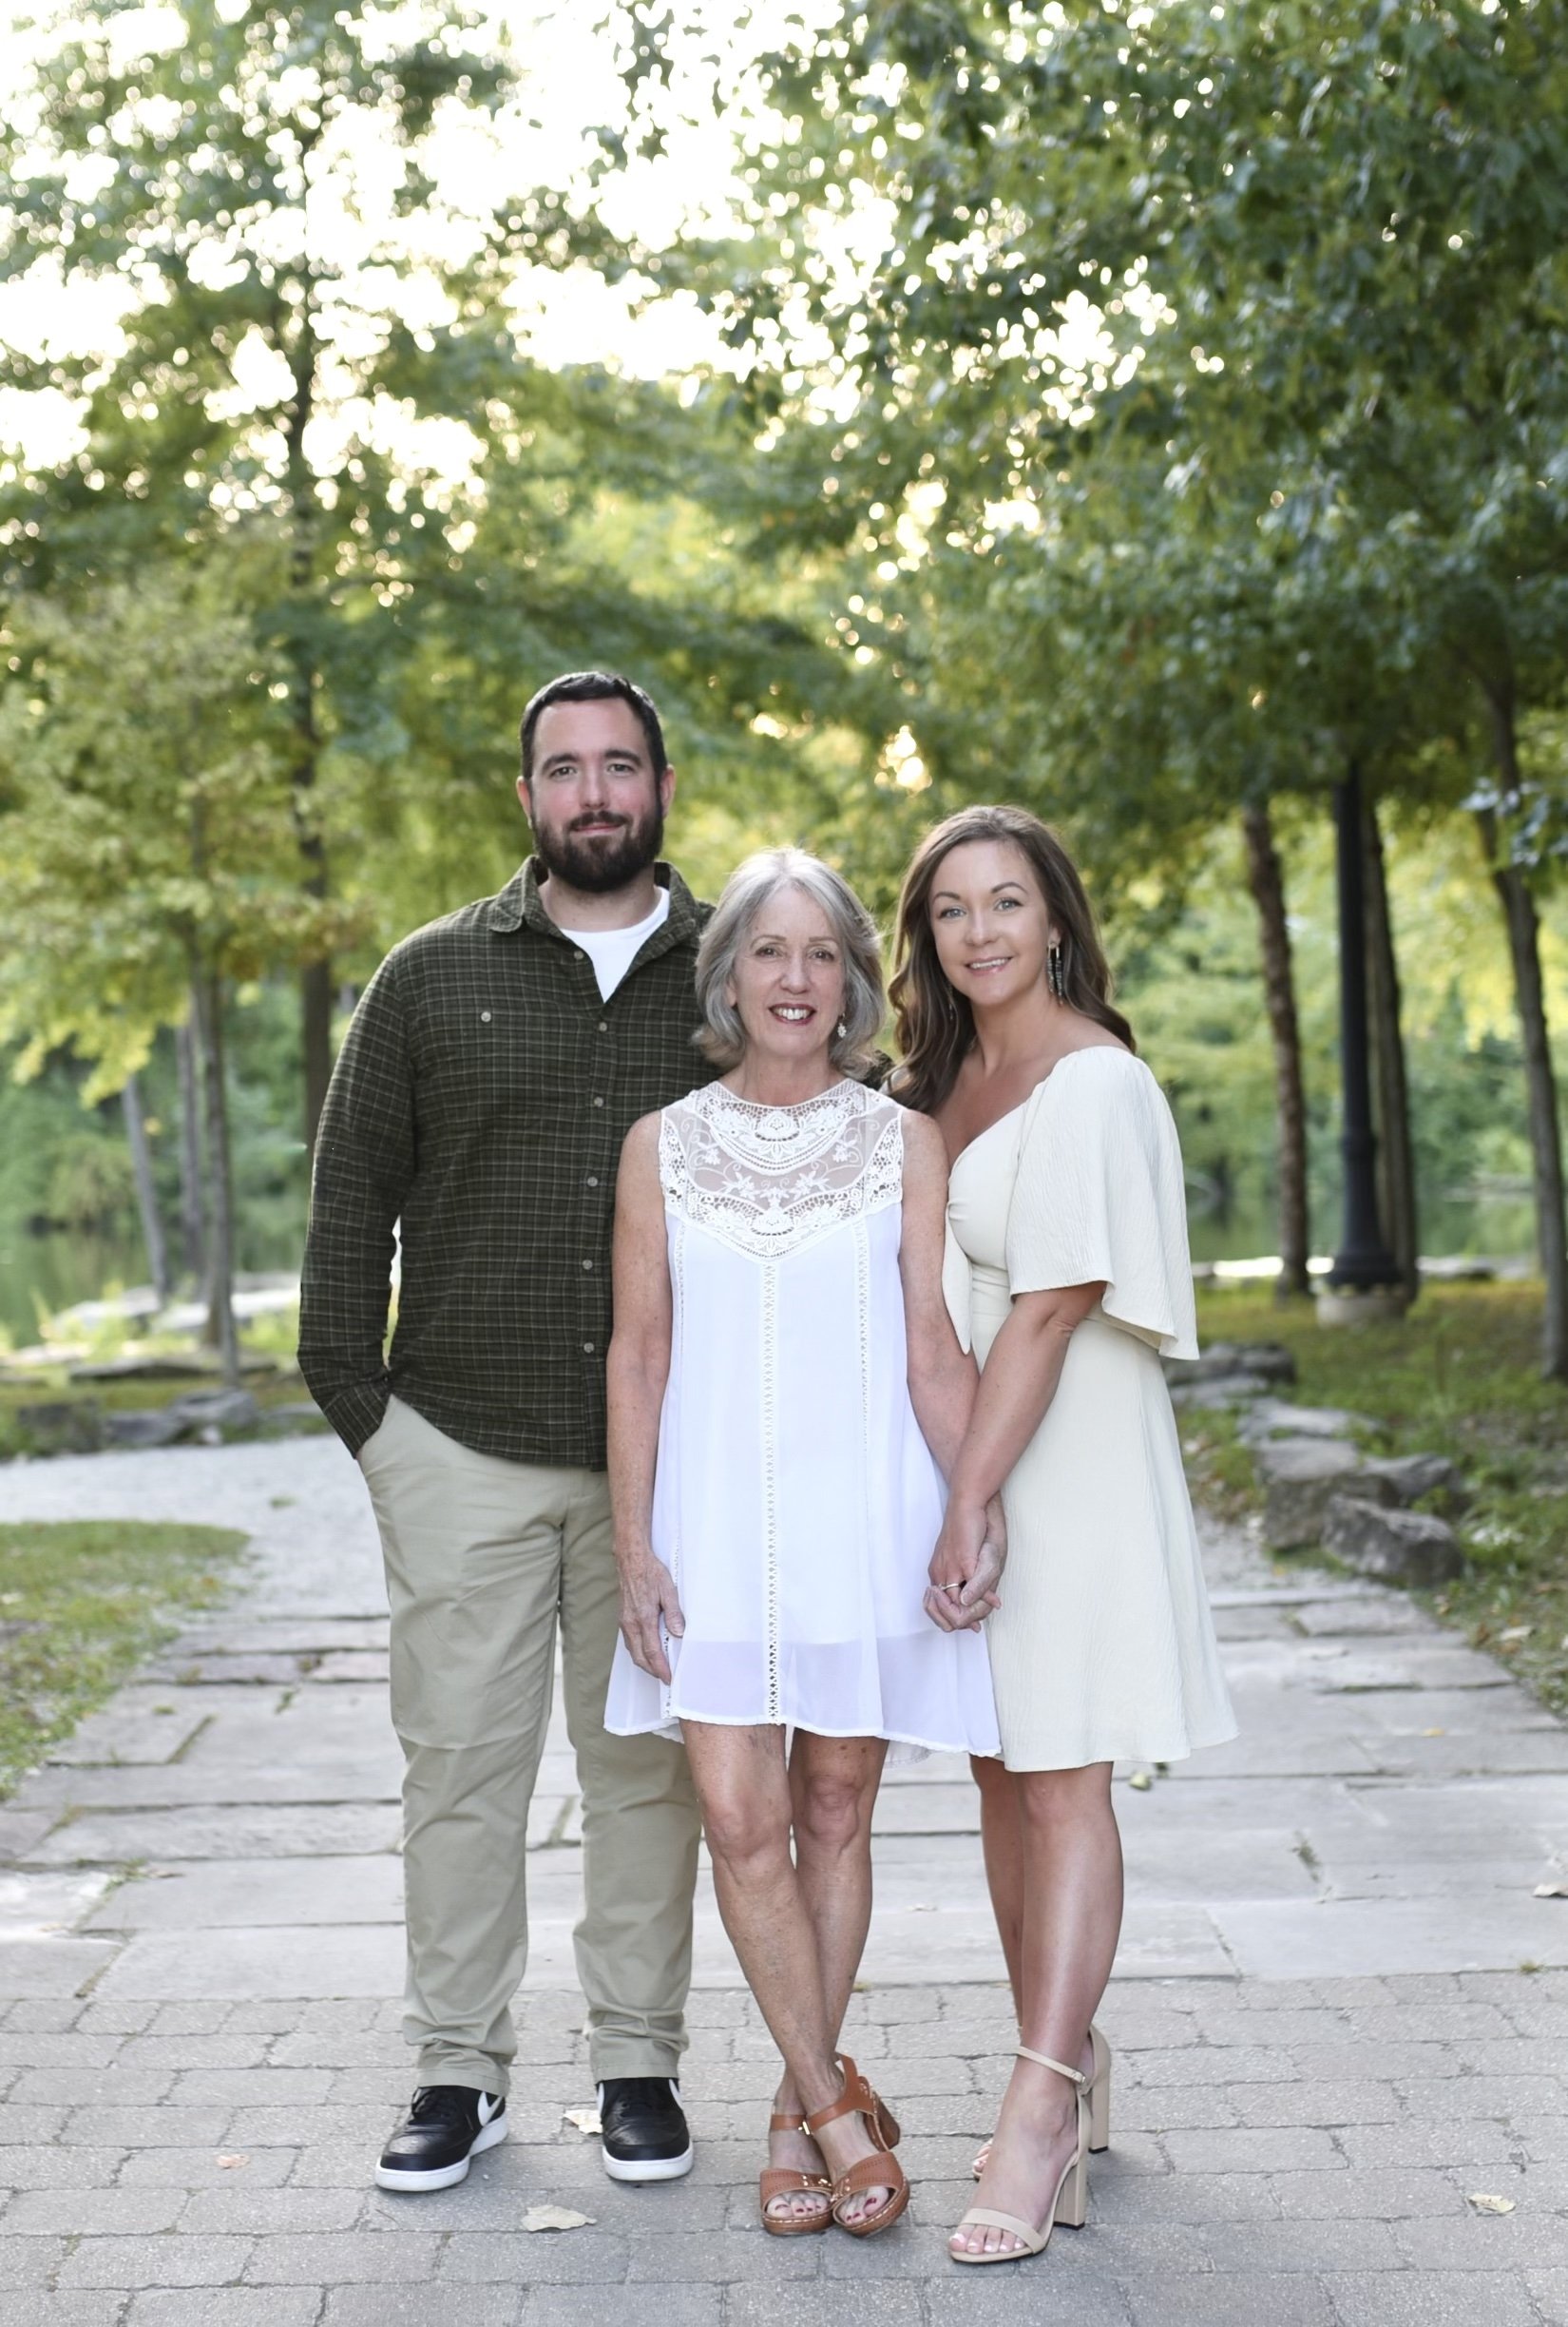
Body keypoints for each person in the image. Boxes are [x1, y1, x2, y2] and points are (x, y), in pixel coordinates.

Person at [297, 670, 715, 2195]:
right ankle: (458, 2072)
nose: (592, 792)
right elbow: (350, 1209)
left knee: (646, 1775)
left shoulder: (735, 976)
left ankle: (635, 2067)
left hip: (664, 1468)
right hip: (458, 1445)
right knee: (459, 1771)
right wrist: (372, 1421)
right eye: (563, 769)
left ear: (660, 786)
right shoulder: (424, 978)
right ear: (525, 795)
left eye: (619, 765)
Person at [604, 847, 1002, 2240]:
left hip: (860, 1517)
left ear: (849, 982)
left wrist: (969, 1504)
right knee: (738, 1817)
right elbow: (638, 1352)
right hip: (705, 1528)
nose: (793, 979)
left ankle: (789, 2111)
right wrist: (632, 1545)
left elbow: (932, 1348)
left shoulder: (906, 1142)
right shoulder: (660, 1143)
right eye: (766, 953)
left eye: (819, 954)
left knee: (833, 1808)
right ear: (727, 979)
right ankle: (838, 2103)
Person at [890, 803, 1236, 2266]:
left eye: (1007, 903)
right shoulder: (947, 1076)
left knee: (1061, 1774)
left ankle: (1035, 2113)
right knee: (996, 1766)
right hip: (975, 1445)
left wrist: (973, 1496)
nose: (981, 933)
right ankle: (1070, 2051)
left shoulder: (1092, 1082)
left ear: (1056, 919)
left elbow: (1048, 1303)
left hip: (1064, 1456)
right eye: (953, 910)